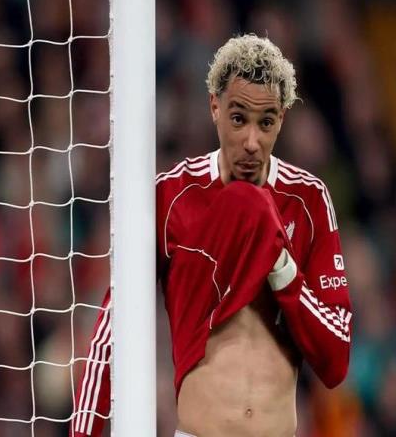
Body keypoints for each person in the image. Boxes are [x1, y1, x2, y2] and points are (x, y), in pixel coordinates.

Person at [72, 33, 352, 437]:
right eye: (238, 119)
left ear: (282, 119)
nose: (251, 142)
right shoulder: (172, 196)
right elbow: (111, 329)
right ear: (214, 107)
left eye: (266, 122)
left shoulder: (307, 199)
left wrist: (282, 268)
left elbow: (336, 358)